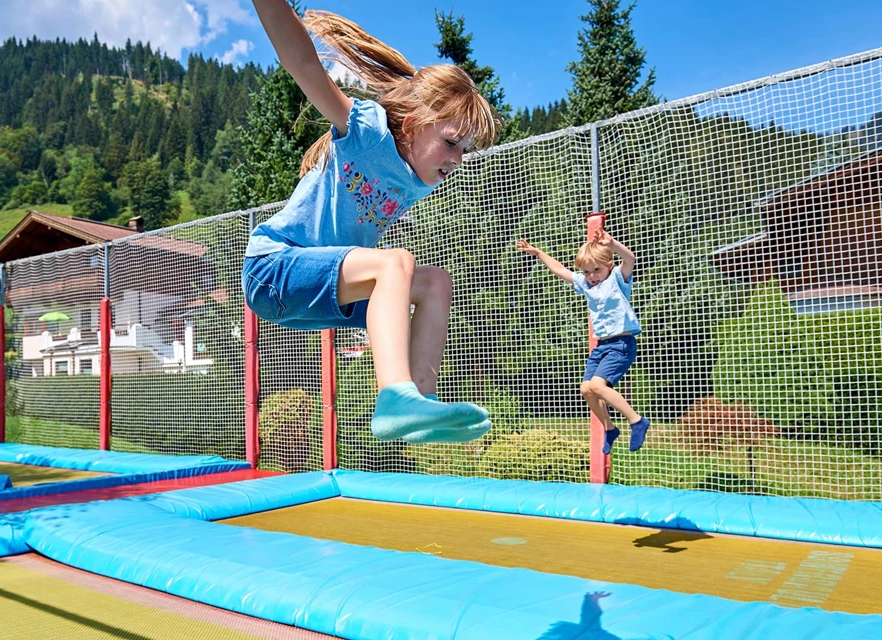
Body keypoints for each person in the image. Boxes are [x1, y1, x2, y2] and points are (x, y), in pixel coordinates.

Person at [244, 0, 500, 444]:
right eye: (451, 143)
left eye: (465, 150)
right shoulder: (367, 132)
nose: (457, 160)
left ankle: (417, 404)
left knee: (435, 283)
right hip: (274, 270)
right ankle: (396, 396)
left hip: (322, 293)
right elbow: (302, 62)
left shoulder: (423, 179)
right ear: (418, 122)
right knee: (394, 263)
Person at [516, 230, 650, 453]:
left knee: (598, 385)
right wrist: (539, 253)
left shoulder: (618, 279)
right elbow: (561, 270)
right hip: (602, 346)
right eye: (587, 272)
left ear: (609, 264)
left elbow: (631, 259)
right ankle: (610, 428)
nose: (592, 276)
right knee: (587, 389)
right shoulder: (587, 285)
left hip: (621, 344)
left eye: (596, 270)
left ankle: (637, 421)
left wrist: (612, 243)